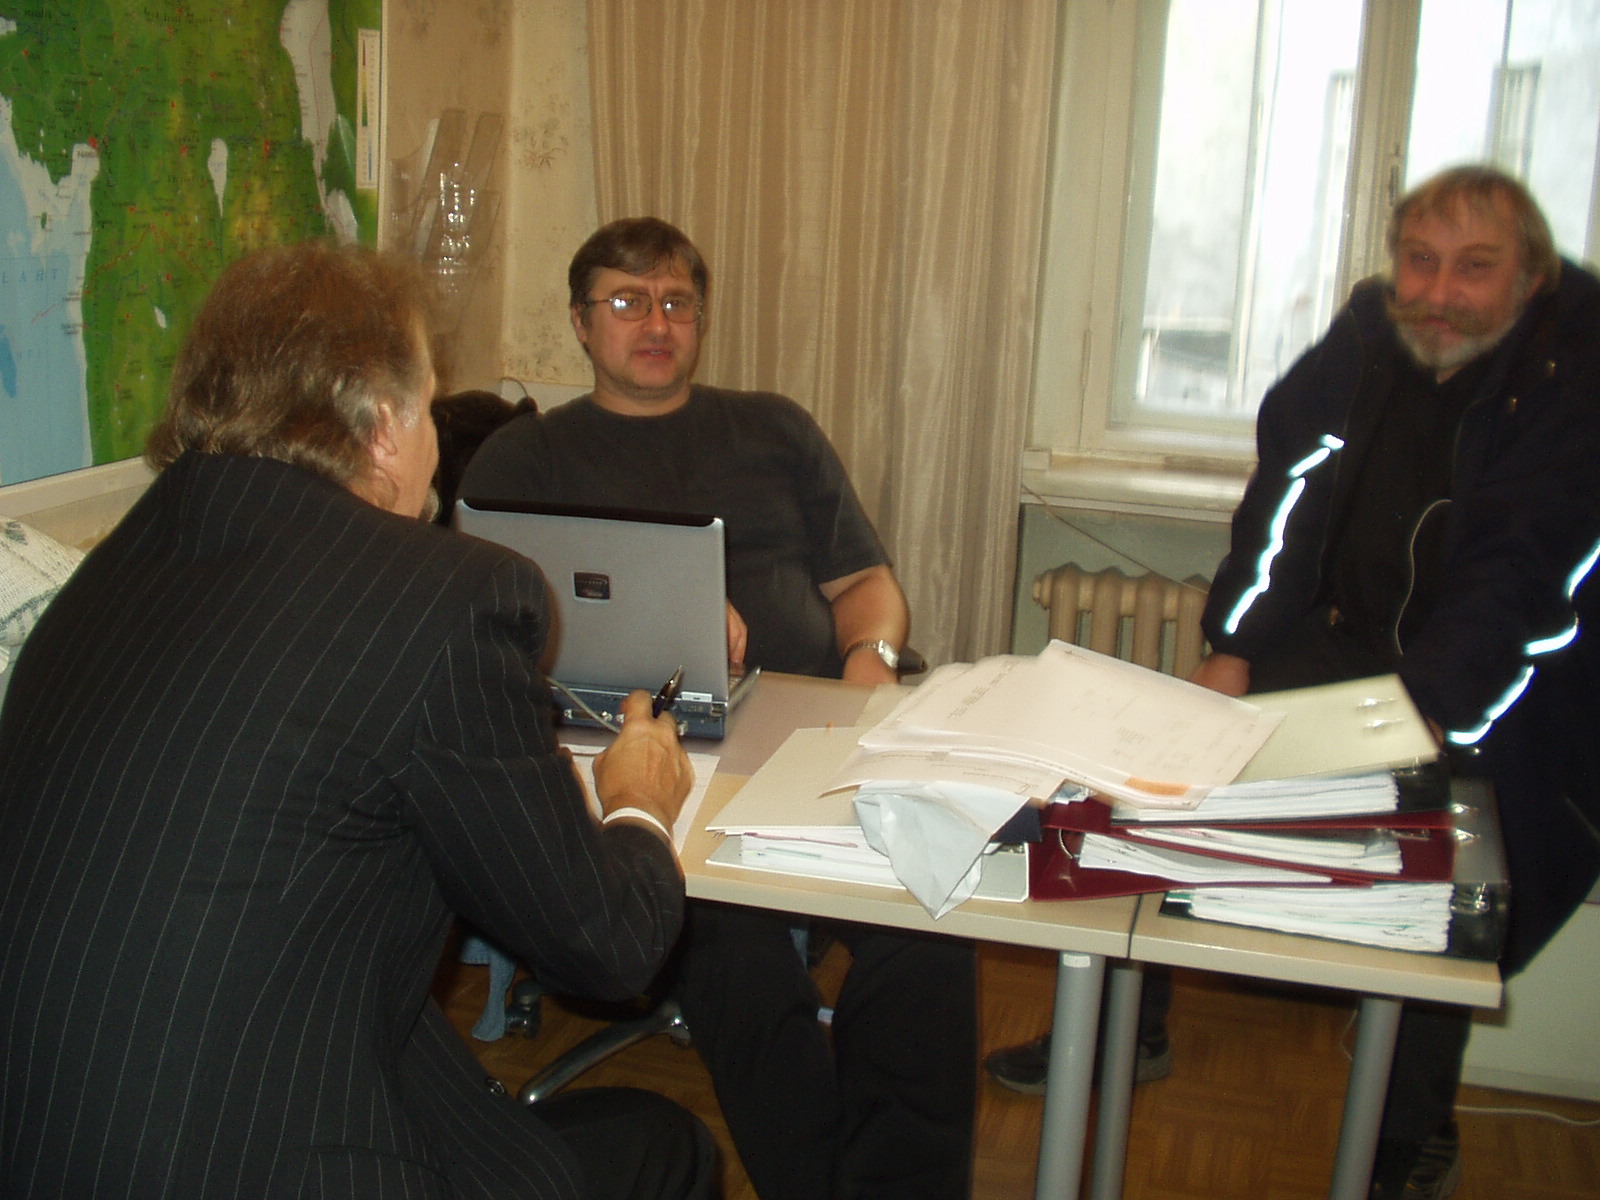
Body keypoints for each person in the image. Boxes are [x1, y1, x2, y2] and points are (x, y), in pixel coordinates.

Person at [0, 240, 715, 1200]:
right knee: (668, 1148)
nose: (435, 447)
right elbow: (606, 945)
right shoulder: (445, 600)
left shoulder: (109, 574)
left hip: (45, 1139)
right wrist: (637, 803)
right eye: (429, 407)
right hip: (253, 1161)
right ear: (383, 425)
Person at [998, 164, 1600, 1199]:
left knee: (1441, 886)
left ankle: (1410, 1137)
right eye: (1419, 261)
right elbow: (1290, 488)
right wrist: (1233, 644)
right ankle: (1126, 1028)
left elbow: (1523, 572)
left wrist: (1422, 716)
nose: (1438, 293)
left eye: (1473, 268)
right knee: (1162, 782)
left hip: (1514, 687)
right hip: (1348, 636)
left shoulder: (1574, 374)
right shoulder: (1372, 334)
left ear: (1530, 276)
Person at [460, 217, 977, 1200]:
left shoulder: (774, 428)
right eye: (627, 300)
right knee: (731, 955)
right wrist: (671, 626)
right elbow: (489, 636)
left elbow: (866, 582)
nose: (656, 322)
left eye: (676, 302)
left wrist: (868, 662)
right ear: (579, 322)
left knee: (928, 923)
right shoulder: (523, 462)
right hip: (641, 761)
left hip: (812, 735)